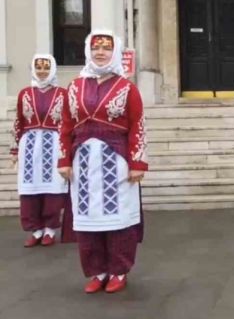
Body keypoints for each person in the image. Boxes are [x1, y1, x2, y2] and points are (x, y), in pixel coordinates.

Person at [58, 30, 148, 294]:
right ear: (88, 51)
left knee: (118, 220)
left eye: (106, 49)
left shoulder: (127, 88)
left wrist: (137, 163)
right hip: (83, 164)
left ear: (115, 52)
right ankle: (97, 271)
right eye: (95, 48)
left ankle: (118, 271)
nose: (100, 53)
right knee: (87, 220)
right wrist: (64, 159)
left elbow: (137, 126)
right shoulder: (75, 87)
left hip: (116, 161)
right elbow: (65, 125)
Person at [11, 54, 68, 247]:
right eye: (38, 68)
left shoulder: (63, 94)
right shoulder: (25, 93)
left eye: (46, 68)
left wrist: (68, 150)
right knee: (30, 189)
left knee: (53, 187)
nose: (42, 72)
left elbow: (69, 123)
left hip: (54, 145)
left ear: (52, 69)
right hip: (30, 146)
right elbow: (19, 121)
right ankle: (35, 230)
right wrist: (14, 150)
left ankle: (50, 230)